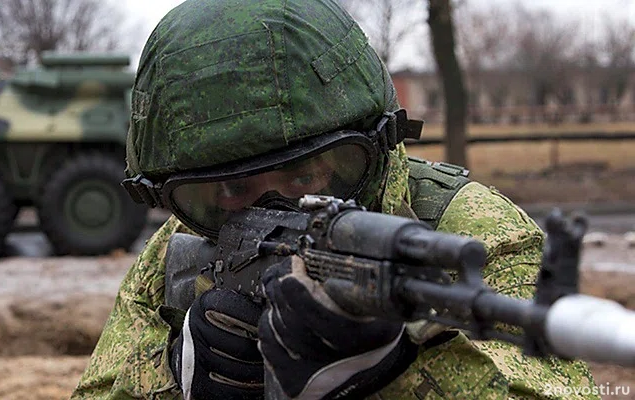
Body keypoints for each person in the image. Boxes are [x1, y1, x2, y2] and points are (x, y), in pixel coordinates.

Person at [71, 0, 599, 399]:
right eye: (230, 190)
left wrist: (392, 372)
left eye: (307, 174)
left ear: (377, 144)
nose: (275, 209)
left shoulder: (468, 231)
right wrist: (177, 372)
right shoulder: (180, 250)